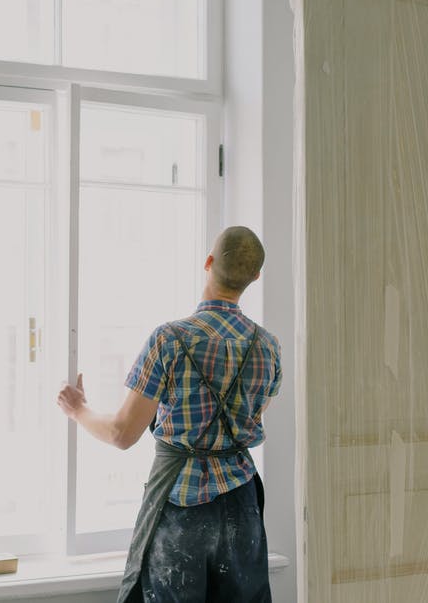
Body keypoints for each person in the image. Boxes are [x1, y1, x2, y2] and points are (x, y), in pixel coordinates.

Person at [57, 226, 281, 603]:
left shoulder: (170, 340)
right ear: (255, 277)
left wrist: (78, 409)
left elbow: (121, 434)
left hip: (182, 508)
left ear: (208, 263)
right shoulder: (268, 347)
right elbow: (252, 418)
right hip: (240, 507)